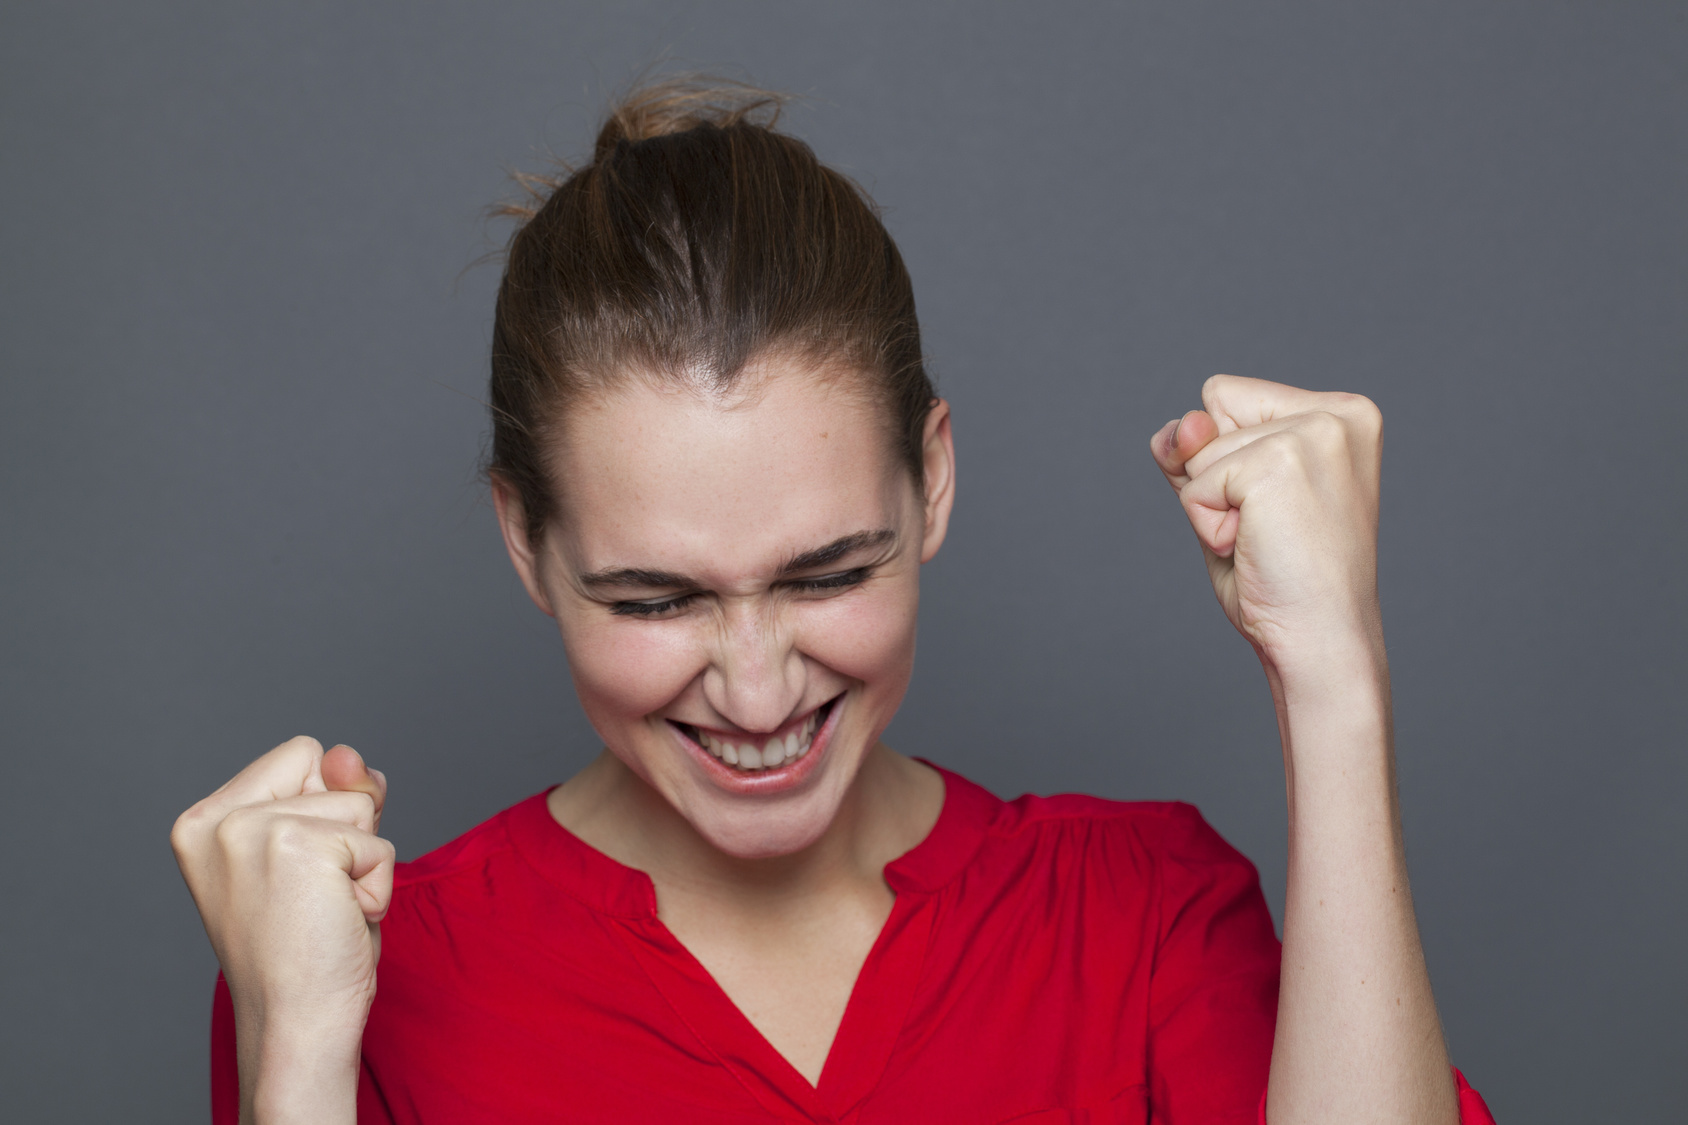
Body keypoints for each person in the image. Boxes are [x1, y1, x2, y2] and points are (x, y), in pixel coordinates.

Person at [171, 77, 1496, 1124]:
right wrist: (296, 1072)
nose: (756, 689)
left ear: (931, 480)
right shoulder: (361, 981)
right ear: (526, 538)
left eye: (827, 573)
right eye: (655, 598)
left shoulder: (1140, 919)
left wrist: (1334, 676)